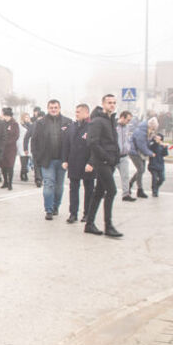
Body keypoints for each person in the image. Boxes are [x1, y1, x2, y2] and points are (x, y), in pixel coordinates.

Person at [84, 94, 123, 238]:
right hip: (102, 162)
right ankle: (108, 226)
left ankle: (89, 223)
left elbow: (112, 141)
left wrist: (116, 157)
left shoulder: (111, 120)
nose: (112, 105)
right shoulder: (97, 121)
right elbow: (92, 143)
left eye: (114, 103)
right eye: (109, 103)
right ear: (103, 104)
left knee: (99, 192)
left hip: (110, 162)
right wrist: (106, 157)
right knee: (111, 191)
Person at [31, 99, 72, 220]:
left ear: (59, 108)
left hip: (62, 160)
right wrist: (37, 157)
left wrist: (69, 158)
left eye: (56, 107)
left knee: (59, 186)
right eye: (51, 108)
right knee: (48, 184)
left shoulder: (68, 122)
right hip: (47, 160)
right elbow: (34, 141)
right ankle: (48, 209)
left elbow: (71, 141)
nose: (53, 110)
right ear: (48, 109)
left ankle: (55, 206)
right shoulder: (41, 123)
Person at [62, 103, 94, 224]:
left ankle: (87, 213)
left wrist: (91, 162)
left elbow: (95, 147)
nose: (76, 114)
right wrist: (65, 160)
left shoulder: (92, 127)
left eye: (79, 112)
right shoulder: (72, 127)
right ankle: (73, 213)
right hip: (74, 162)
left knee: (89, 189)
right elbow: (66, 144)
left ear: (86, 113)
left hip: (87, 164)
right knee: (73, 189)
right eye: (75, 112)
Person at [129, 116, 157, 199]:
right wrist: (150, 153)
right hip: (134, 152)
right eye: (153, 128)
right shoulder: (141, 132)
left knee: (141, 170)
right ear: (150, 126)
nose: (154, 130)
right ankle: (139, 190)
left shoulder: (147, 131)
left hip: (140, 153)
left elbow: (147, 142)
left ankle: (129, 184)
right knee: (141, 169)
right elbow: (141, 145)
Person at [115, 111, 136, 202]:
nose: (129, 122)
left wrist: (128, 147)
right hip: (114, 155)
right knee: (107, 175)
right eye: (128, 120)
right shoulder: (114, 126)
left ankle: (126, 194)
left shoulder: (127, 127)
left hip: (124, 155)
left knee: (125, 175)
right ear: (122, 117)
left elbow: (128, 139)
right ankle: (102, 191)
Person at [0, 107, 20, 190]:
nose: (6, 117)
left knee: (10, 165)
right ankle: (5, 182)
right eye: (5, 116)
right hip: (2, 148)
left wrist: (8, 142)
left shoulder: (14, 124)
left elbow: (16, 135)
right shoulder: (1, 123)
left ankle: (10, 183)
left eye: (8, 116)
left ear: (11, 116)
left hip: (11, 148)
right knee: (3, 165)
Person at [148, 132, 168, 197]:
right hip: (153, 164)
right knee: (154, 178)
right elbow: (152, 147)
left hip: (160, 164)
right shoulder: (153, 144)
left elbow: (165, 154)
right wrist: (156, 142)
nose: (158, 139)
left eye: (160, 138)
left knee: (162, 178)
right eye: (157, 138)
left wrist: (165, 148)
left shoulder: (162, 145)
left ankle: (156, 187)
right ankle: (154, 191)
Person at [19, 112, 33, 182]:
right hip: (21, 144)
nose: (27, 119)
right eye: (26, 117)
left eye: (28, 117)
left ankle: (23, 173)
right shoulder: (20, 125)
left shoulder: (31, 125)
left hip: (28, 145)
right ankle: (23, 174)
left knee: (27, 160)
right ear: (23, 118)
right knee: (23, 161)